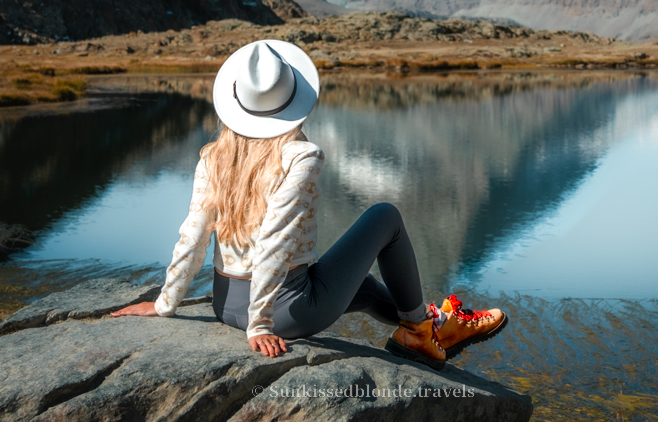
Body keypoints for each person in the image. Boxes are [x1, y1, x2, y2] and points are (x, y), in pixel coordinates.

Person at [112, 39, 506, 369]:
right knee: (385, 216)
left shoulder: (212, 155)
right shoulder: (302, 155)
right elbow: (275, 241)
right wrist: (260, 324)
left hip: (223, 304)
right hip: (282, 312)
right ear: (293, 99)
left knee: (364, 286)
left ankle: (429, 326)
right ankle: (427, 330)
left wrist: (165, 303)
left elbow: (193, 234)